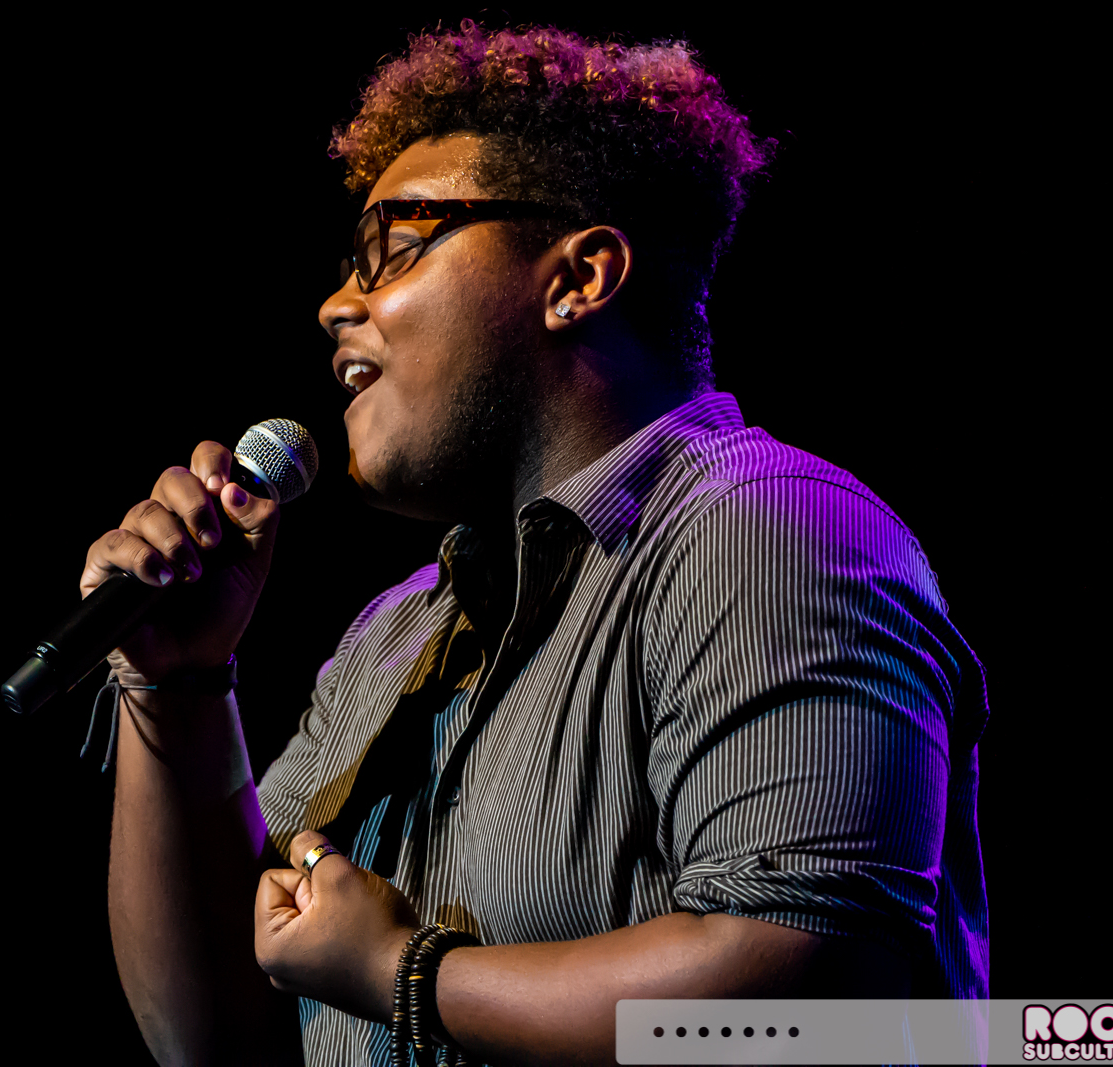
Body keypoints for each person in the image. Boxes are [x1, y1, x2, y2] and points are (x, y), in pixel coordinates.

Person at [94, 22, 988, 1066]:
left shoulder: (766, 531)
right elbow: (207, 1037)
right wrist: (177, 683)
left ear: (580, 277)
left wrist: (405, 972)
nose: (338, 303)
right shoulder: (389, 640)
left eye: (395, 244)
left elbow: (813, 997)